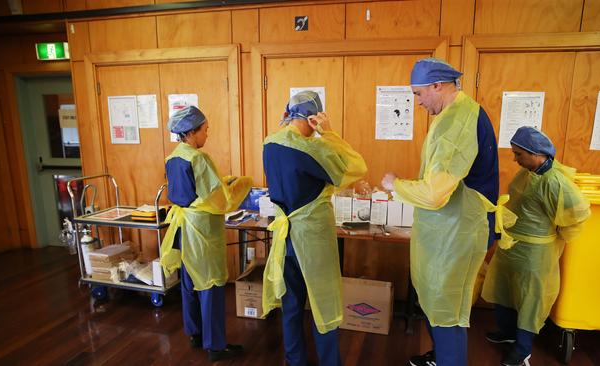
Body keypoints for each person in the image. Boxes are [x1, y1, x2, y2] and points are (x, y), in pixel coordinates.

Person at [381, 57, 501, 366]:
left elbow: (435, 193)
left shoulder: (458, 120)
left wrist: (397, 186)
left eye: (419, 94)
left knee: (448, 311)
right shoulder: (453, 114)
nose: (417, 102)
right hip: (448, 230)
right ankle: (441, 358)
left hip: (460, 231)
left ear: (438, 85)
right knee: (436, 301)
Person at [262, 91, 367, 366]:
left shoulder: (269, 143)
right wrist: (329, 134)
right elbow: (355, 167)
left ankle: (295, 360)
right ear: (313, 118)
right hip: (312, 238)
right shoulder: (311, 148)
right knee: (324, 303)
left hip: (284, 237)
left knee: (292, 304)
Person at [482, 127, 591, 366]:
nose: (515, 159)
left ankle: (522, 349)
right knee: (504, 291)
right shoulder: (529, 173)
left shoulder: (555, 182)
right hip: (512, 246)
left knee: (530, 300)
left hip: (534, 253)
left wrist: (557, 235)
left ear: (537, 153)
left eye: (519, 154)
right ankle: (508, 333)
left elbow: (578, 214)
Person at [159, 106, 252, 362]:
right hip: (202, 229)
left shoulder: (173, 157)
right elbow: (220, 201)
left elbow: (196, 190)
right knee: (211, 284)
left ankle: (195, 333)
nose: (207, 135)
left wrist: (222, 181)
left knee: (190, 283)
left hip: (182, 226)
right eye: (205, 130)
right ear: (191, 132)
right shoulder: (199, 159)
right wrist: (241, 184)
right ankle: (216, 346)